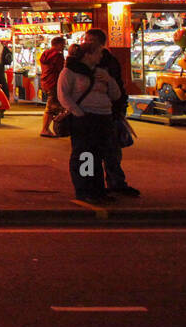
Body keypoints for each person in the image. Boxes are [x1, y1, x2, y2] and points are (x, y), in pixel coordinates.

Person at [57, 42, 122, 202]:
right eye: (98, 53)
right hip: (84, 118)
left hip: (103, 117)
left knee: (99, 154)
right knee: (85, 155)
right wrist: (79, 114)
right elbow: (63, 95)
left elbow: (116, 94)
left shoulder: (101, 72)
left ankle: (98, 189)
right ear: (88, 55)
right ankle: (85, 189)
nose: (101, 56)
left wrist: (109, 80)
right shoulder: (70, 72)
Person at [82, 27, 140, 197]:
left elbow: (117, 89)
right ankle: (89, 184)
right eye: (86, 40)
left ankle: (115, 182)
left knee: (111, 150)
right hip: (86, 116)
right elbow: (65, 91)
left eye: (90, 41)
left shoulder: (109, 63)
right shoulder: (76, 65)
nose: (87, 44)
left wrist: (118, 108)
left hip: (107, 114)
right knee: (88, 152)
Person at [37, 36, 66, 138]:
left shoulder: (45, 54)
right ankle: (45, 129)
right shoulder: (57, 56)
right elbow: (61, 69)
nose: (64, 46)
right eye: (63, 44)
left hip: (46, 81)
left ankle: (48, 128)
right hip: (54, 82)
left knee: (52, 105)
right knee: (51, 107)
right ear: (58, 44)